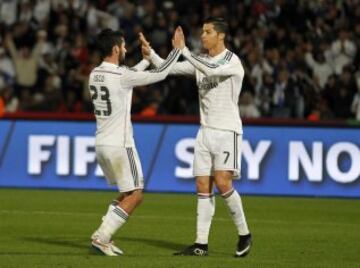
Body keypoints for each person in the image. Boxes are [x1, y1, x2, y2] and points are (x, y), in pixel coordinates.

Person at [140, 17, 252, 257]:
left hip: (227, 131)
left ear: (220, 36)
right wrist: (150, 55)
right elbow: (168, 69)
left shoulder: (232, 61)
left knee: (223, 183)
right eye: (202, 31)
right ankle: (201, 244)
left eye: (208, 31)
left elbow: (210, 70)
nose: (203, 35)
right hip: (204, 132)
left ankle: (244, 234)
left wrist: (184, 51)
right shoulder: (199, 59)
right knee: (202, 186)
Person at [89, 27, 183, 256]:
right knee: (136, 194)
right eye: (122, 46)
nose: (125, 49)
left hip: (101, 143)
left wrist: (145, 59)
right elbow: (160, 74)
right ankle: (102, 236)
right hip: (121, 144)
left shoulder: (95, 73)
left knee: (125, 193)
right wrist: (177, 51)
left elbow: (127, 74)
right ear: (114, 49)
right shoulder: (121, 76)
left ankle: (102, 233)